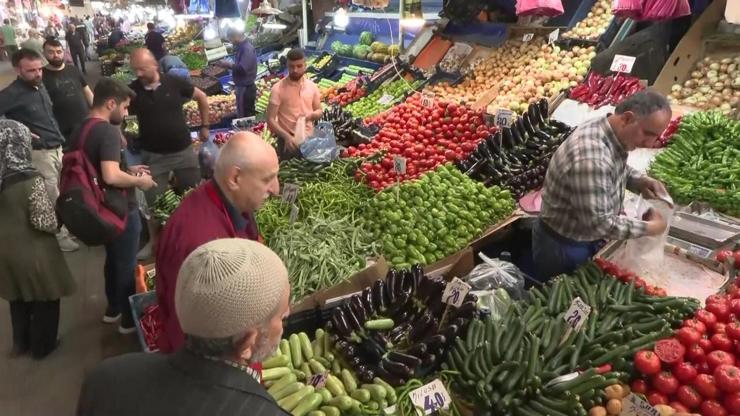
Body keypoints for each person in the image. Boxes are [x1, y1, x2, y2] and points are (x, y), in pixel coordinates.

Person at [77, 238, 291, 416]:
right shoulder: (262, 411)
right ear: (248, 342)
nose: (286, 316)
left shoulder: (106, 379)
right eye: (281, 315)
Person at [155, 132, 280, 353]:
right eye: (267, 179)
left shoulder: (227, 201)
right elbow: (197, 336)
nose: (275, 189)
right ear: (235, 178)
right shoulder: (202, 246)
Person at [533, 90, 672, 281]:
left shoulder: (607, 128)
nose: (650, 143)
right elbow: (599, 224)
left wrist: (638, 180)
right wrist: (650, 228)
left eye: (656, 137)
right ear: (627, 118)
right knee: (559, 297)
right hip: (565, 247)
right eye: (648, 134)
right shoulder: (591, 156)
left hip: (579, 236)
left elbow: (612, 165)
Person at [66, 78, 157, 334]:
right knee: (126, 264)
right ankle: (129, 321)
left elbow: (97, 166)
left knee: (113, 261)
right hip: (118, 209)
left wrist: (128, 168)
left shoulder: (81, 127)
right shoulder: (107, 130)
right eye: (125, 107)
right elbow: (110, 176)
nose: (126, 113)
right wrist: (140, 181)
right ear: (110, 103)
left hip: (98, 208)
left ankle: (113, 309)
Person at [0, 119, 76, 359]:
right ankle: (43, 346)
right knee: (47, 296)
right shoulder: (29, 179)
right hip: (34, 251)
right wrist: (61, 219)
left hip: (6, 251)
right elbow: (44, 222)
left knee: (18, 296)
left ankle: (20, 344)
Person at [127, 48, 209, 260]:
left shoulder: (174, 82)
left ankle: (197, 236)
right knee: (154, 202)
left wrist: (205, 125)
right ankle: (155, 243)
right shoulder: (133, 91)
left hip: (183, 151)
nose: (138, 74)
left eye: (142, 69)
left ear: (154, 64)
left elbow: (201, 97)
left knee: (193, 193)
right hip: (152, 156)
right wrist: (121, 137)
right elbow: (117, 113)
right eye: (135, 70)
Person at [0, 48, 79, 252]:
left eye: (39, 69)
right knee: (52, 195)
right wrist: (18, 130)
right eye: (31, 70)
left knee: (64, 191)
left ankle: (68, 227)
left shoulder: (39, 86)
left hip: (57, 147)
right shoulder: (11, 94)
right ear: (18, 70)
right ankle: (60, 236)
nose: (38, 74)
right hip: (39, 153)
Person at [266, 48, 322, 160]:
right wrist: (286, 137)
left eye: (299, 66)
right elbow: (270, 119)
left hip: (309, 140)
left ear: (305, 65)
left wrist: (311, 116)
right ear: (287, 65)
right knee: (289, 174)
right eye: (291, 66)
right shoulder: (278, 89)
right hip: (288, 142)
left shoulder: (312, 86)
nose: (295, 70)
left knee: (310, 174)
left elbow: (319, 111)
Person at [42, 38, 92, 140]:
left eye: (59, 52)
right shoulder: (41, 75)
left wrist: (98, 114)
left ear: (63, 52)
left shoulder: (73, 69)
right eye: (51, 52)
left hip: (85, 122)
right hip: (62, 128)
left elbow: (87, 92)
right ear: (44, 53)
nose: (56, 55)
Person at [225, 27, 257, 118]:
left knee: (245, 117)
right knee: (243, 114)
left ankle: (247, 132)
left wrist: (228, 65)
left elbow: (243, 69)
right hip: (242, 88)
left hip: (246, 89)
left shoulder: (246, 49)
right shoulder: (242, 47)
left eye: (230, 39)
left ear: (235, 36)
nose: (231, 41)